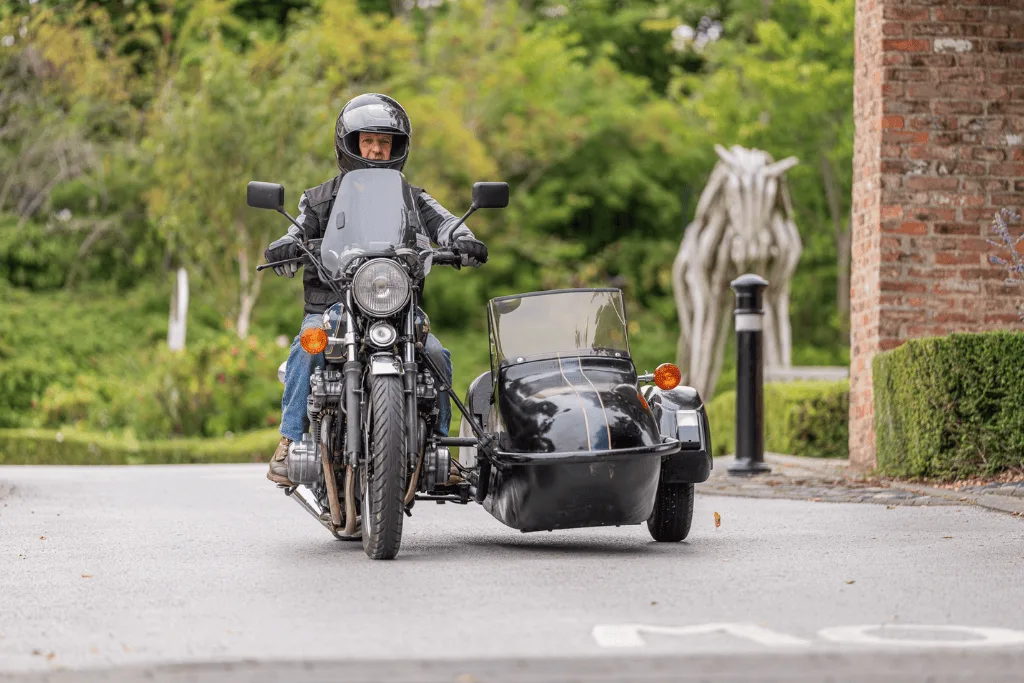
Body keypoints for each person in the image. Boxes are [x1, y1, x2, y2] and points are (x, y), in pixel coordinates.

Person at [263, 93, 488, 487]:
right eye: (368, 141)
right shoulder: (318, 199)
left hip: (397, 308)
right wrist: (287, 245)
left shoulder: (412, 197)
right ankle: (289, 440)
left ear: (397, 148)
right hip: (334, 305)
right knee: (307, 346)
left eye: (384, 143)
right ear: (349, 144)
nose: (376, 149)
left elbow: (447, 223)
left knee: (435, 353)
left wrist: (463, 238)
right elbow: (297, 228)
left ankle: (438, 448)